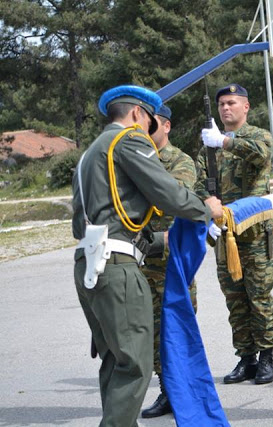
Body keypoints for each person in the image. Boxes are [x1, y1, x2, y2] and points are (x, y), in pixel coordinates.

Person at [72, 85, 222, 426]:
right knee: (135, 364)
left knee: (114, 360)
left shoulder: (89, 154)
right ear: (138, 114)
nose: (148, 132)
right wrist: (205, 209)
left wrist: (155, 241)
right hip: (118, 269)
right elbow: (167, 192)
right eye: (149, 123)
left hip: (89, 262)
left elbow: (86, 221)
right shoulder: (128, 140)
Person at [196, 83, 273, 385]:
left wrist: (226, 141)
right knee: (235, 300)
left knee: (259, 298)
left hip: (254, 233)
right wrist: (205, 213)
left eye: (231, 103)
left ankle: (267, 357)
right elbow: (200, 183)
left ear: (245, 106)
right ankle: (245, 358)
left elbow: (260, 155)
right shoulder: (210, 146)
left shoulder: (257, 136)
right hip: (224, 234)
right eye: (221, 104)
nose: (225, 108)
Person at [139, 105, 199, 418]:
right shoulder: (134, 159)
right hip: (141, 261)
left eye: (152, 126)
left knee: (178, 329)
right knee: (151, 331)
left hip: (171, 261)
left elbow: (174, 197)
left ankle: (186, 393)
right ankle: (167, 391)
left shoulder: (179, 161)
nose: (145, 132)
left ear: (166, 127)